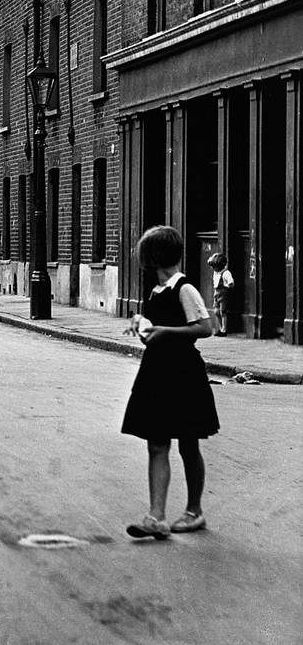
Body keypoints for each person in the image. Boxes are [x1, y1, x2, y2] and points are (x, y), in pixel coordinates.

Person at [122, 225, 219, 540]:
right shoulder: (156, 291)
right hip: (158, 373)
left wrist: (165, 332)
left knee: (189, 444)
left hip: (184, 374)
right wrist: (144, 328)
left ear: (156, 258)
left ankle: (194, 512)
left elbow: (206, 328)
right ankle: (157, 517)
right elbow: (157, 331)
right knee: (157, 443)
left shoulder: (184, 289)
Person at [207, 252, 235, 335]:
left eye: (214, 267)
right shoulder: (216, 273)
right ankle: (220, 327)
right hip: (216, 294)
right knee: (216, 311)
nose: (213, 269)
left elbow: (231, 283)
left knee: (223, 312)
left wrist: (228, 287)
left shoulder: (226, 273)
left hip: (224, 295)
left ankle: (224, 330)